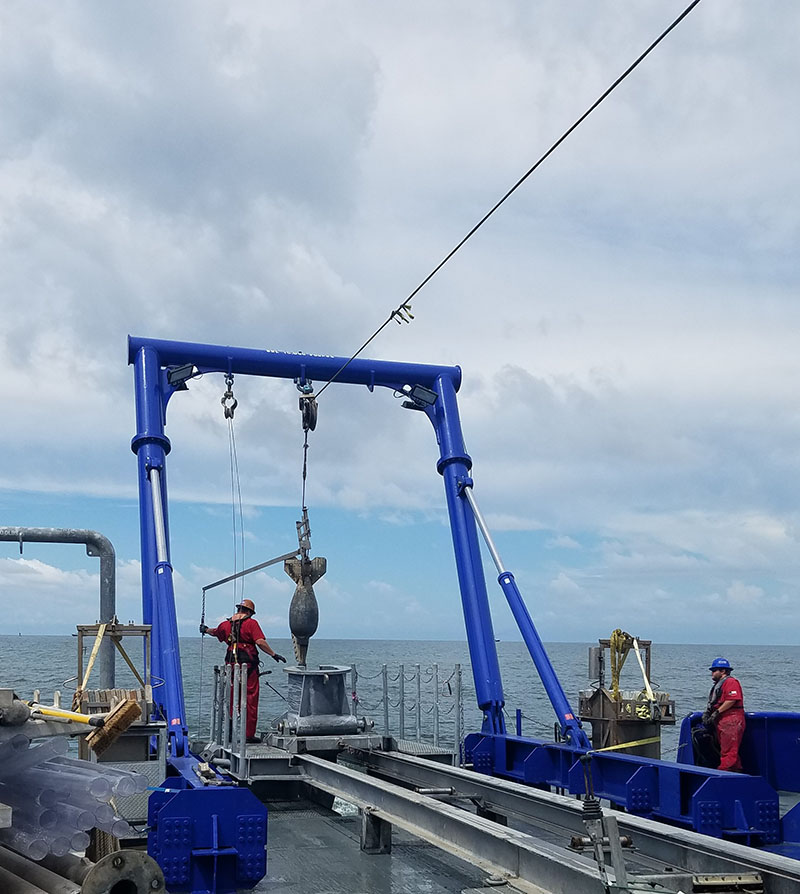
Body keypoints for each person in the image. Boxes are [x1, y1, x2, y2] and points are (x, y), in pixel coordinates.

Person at [200, 598, 286, 743]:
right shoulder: (252, 623)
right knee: (250, 699)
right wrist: (273, 654)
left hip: (230, 666)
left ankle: (229, 732)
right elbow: (259, 641)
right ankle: (248, 735)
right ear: (250, 612)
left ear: (239, 609)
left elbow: (215, 632)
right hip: (248, 668)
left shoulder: (226, 624)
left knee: (231, 698)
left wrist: (205, 629)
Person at [701, 657, 746, 772]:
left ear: (723, 671)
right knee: (726, 749)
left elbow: (732, 700)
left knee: (729, 750)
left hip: (731, 719)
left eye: (714, 670)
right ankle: (736, 770)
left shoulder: (731, 682)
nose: (712, 673)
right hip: (723, 719)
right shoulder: (719, 685)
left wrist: (717, 712)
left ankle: (725, 771)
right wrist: (708, 713)